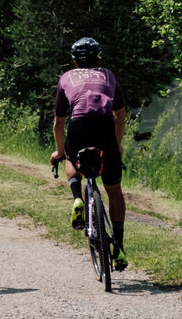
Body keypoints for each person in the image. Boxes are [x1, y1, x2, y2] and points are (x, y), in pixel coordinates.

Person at [51, 36, 128, 271]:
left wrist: (59, 151)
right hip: (104, 127)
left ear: (74, 61)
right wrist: (116, 146)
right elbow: (120, 117)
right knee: (114, 191)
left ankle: (77, 198)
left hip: (79, 126)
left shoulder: (66, 78)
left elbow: (58, 124)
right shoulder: (108, 75)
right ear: (98, 57)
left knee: (70, 157)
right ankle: (120, 246)